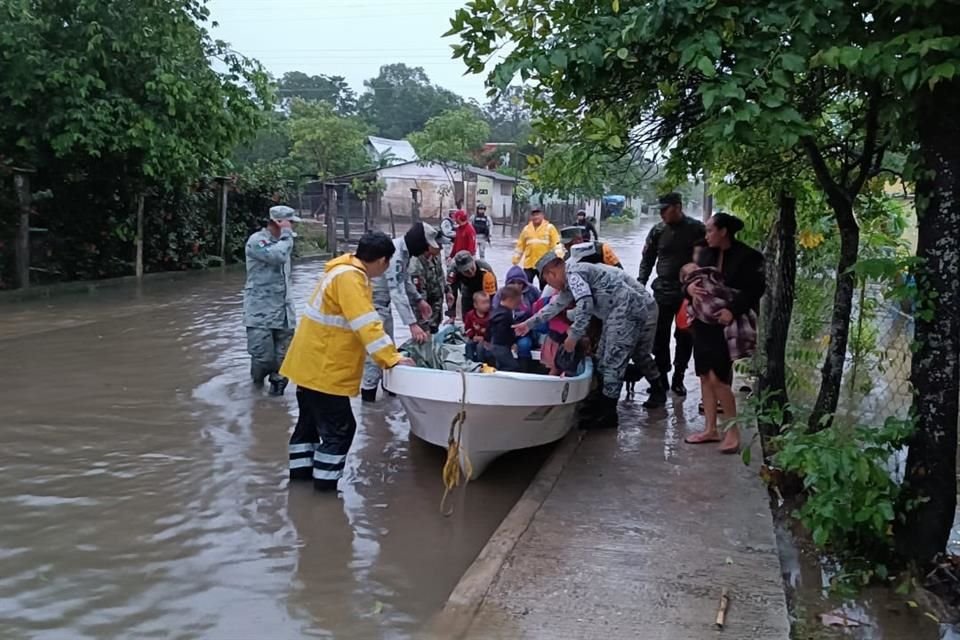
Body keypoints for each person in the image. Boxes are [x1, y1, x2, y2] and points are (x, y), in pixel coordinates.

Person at [281, 231, 414, 492]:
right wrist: (392, 358)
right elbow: (367, 325)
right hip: (325, 369)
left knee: (307, 426)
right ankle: (325, 490)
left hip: (309, 365)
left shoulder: (341, 270)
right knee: (341, 429)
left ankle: (300, 483)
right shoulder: (351, 279)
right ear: (382, 261)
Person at [516, 254, 661, 427]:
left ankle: (608, 415)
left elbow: (586, 305)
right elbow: (554, 307)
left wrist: (574, 335)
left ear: (551, 274)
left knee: (612, 362)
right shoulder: (571, 280)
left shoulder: (574, 274)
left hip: (625, 311)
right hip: (615, 313)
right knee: (601, 359)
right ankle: (601, 404)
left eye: (547, 280)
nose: (550, 285)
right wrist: (528, 324)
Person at [683, 213, 765, 454]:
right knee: (705, 375)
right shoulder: (705, 253)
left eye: (710, 230)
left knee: (719, 379)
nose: (706, 235)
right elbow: (691, 281)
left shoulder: (748, 257)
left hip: (725, 324)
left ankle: (732, 433)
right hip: (703, 321)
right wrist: (688, 289)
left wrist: (732, 310)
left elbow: (754, 290)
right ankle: (710, 429)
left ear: (723, 231)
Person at [360, 222, 441, 402]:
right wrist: (412, 325)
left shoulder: (403, 253)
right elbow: (397, 290)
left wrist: (419, 300)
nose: (426, 251)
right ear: (418, 242)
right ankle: (369, 402)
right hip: (374, 308)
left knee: (388, 349)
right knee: (376, 354)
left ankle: (387, 394)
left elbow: (404, 281)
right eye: (426, 246)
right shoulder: (395, 254)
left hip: (383, 307)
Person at [637, 192, 705, 398]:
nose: (662, 214)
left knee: (685, 335)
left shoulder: (696, 229)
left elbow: (707, 258)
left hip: (689, 291)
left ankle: (679, 377)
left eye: (665, 210)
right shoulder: (657, 230)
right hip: (663, 289)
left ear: (678, 207)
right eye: (660, 210)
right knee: (659, 335)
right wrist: (641, 284)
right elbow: (647, 259)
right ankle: (662, 377)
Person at [243, 205, 301, 396]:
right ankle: (256, 389)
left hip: (284, 311)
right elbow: (277, 256)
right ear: (278, 222)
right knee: (263, 359)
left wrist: (285, 237)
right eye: (289, 222)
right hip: (260, 311)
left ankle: (276, 406)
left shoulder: (284, 242)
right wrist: (286, 236)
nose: (292, 226)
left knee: (284, 362)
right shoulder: (257, 241)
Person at [512, 207, 562, 288]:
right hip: (529, 264)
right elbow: (520, 246)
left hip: (544, 264)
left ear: (542, 215)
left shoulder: (550, 228)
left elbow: (556, 244)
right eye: (533, 215)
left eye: (538, 215)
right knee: (526, 287)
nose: (536, 217)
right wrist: (515, 260)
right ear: (531, 217)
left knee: (545, 287)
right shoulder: (526, 229)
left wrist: (559, 259)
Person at [447, 250, 497, 321]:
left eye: (472, 267)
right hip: (467, 290)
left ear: (473, 261)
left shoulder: (485, 268)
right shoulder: (453, 271)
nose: (470, 271)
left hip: (483, 289)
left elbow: (493, 294)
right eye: (466, 271)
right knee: (467, 318)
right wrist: (451, 315)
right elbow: (451, 295)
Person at [487, 287, 527, 372]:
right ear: (510, 300)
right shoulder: (505, 315)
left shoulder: (495, 311)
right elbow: (504, 332)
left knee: (500, 364)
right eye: (517, 303)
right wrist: (513, 341)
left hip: (495, 344)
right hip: (501, 346)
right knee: (512, 366)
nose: (518, 305)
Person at [409, 251, 446, 334]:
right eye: (438, 244)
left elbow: (440, 275)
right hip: (424, 316)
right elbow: (418, 297)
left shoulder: (435, 255)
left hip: (435, 313)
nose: (441, 248)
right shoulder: (416, 264)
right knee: (424, 339)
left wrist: (447, 290)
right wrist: (423, 323)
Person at [464, 291, 491, 363]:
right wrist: (472, 336)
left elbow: (493, 330)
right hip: (474, 338)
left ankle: (481, 364)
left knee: (480, 347)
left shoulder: (491, 315)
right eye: (483, 303)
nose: (487, 305)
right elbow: (467, 328)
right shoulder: (470, 315)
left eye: (488, 302)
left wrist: (485, 338)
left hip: (487, 340)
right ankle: (469, 362)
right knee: (468, 345)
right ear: (475, 305)